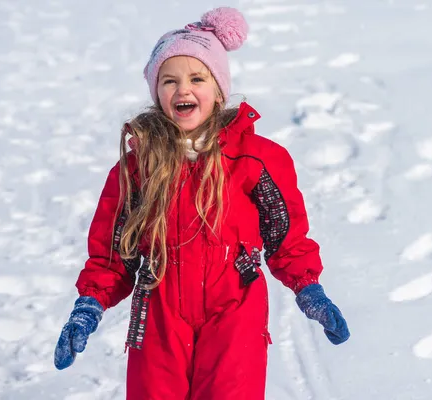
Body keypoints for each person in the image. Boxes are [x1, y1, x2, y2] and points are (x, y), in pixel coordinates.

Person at [54, 7, 350, 400]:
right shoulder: (138, 166)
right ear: (156, 93)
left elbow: (285, 236)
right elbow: (114, 251)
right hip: (159, 312)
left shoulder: (255, 159)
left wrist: (308, 288)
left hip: (235, 311)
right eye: (169, 81)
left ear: (219, 90)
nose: (183, 90)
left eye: (197, 78)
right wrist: (89, 304)